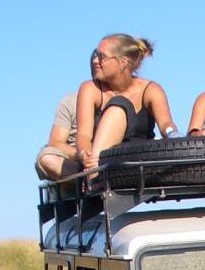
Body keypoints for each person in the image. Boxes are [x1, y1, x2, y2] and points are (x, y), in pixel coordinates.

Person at [75, 34, 179, 171]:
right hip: (101, 162)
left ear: (122, 62)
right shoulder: (90, 89)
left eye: (102, 57)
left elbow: (165, 123)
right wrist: (85, 155)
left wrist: (172, 134)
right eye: (95, 55)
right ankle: (95, 176)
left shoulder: (151, 90)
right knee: (118, 106)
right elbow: (83, 135)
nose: (95, 61)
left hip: (138, 164)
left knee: (119, 105)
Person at [35, 92, 80, 181]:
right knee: (47, 158)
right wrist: (83, 155)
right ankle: (88, 178)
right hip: (77, 161)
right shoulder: (71, 102)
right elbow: (56, 142)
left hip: (108, 159)